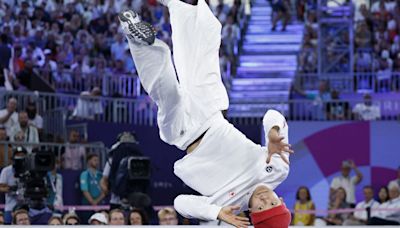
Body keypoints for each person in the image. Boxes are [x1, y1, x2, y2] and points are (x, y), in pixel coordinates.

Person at [119, 0, 293, 226]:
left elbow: (180, 202)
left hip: (185, 133)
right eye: (272, 204)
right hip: (211, 111)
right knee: (210, 30)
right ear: (281, 200)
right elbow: (273, 115)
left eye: (261, 208)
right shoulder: (278, 169)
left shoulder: (227, 204)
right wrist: (273, 132)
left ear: (250, 212)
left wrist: (216, 212)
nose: (264, 200)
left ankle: (136, 37)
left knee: (167, 89)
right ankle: (175, 4)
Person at [0, 147, 27, 224]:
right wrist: (11, 189)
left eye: (22, 156)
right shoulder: (6, 171)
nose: (20, 158)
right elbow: (1, 187)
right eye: (18, 156)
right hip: (11, 207)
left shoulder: (30, 170)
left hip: (27, 207)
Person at [80, 154, 105, 223]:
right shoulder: (84, 174)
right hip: (87, 206)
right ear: (89, 161)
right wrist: (93, 203)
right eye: (95, 160)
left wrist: (96, 202)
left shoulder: (101, 175)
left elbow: (105, 191)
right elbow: (84, 190)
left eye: (98, 160)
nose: (97, 162)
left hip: (99, 206)